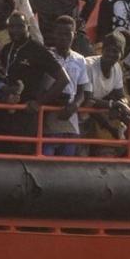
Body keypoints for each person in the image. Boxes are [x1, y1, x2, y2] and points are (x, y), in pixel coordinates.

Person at [0, 12, 69, 154]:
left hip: (27, 113)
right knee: (3, 153)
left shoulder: (38, 50)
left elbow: (63, 80)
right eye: (11, 26)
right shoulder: (6, 50)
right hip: (6, 111)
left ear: (28, 27)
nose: (15, 30)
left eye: (20, 26)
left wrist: (39, 102)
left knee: (24, 154)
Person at [43, 16, 90, 156]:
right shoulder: (46, 56)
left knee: (67, 158)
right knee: (46, 155)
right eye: (60, 34)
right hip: (49, 113)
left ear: (74, 35)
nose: (63, 38)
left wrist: (75, 105)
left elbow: (82, 91)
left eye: (67, 34)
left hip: (70, 115)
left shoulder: (80, 60)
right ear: (54, 34)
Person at [84, 30, 130, 153]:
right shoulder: (88, 65)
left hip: (93, 116)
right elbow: (88, 99)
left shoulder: (117, 68)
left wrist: (123, 105)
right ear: (102, 50)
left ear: (122, 54)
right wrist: (114, 105)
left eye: (116, 51)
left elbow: (120, 95)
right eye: (109, 50)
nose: (111, 54)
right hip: (76, 115)